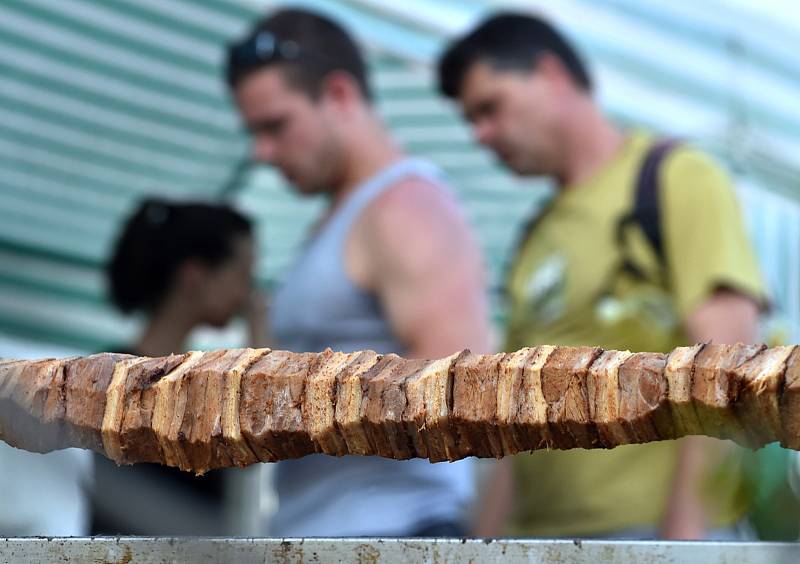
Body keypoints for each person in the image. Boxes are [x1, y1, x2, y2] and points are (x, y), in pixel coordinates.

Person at [437, 13, 766, 539]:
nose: (481, 135)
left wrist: (683, 542)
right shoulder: (536, 236)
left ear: (551, 74)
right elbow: (511, 419)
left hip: (643, 536)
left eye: (490, 108)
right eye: (470, 120)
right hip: (535, 541)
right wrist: (484, 545)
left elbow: (729, 364)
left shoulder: (673, 177)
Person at [226, 9, 491, 536]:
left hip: (398, 539)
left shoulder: (407, 207)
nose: (261, 151)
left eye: (276, 125)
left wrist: (278, 405)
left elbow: (460, 395)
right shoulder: (342, 217)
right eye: (253, 132)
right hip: (328, 538)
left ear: (340, 95)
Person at [92, 198, 264, 535]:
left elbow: (254, 453)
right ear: (195, 276)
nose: (247, 294)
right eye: (243, 274)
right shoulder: (112, 378)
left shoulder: (202, 381)